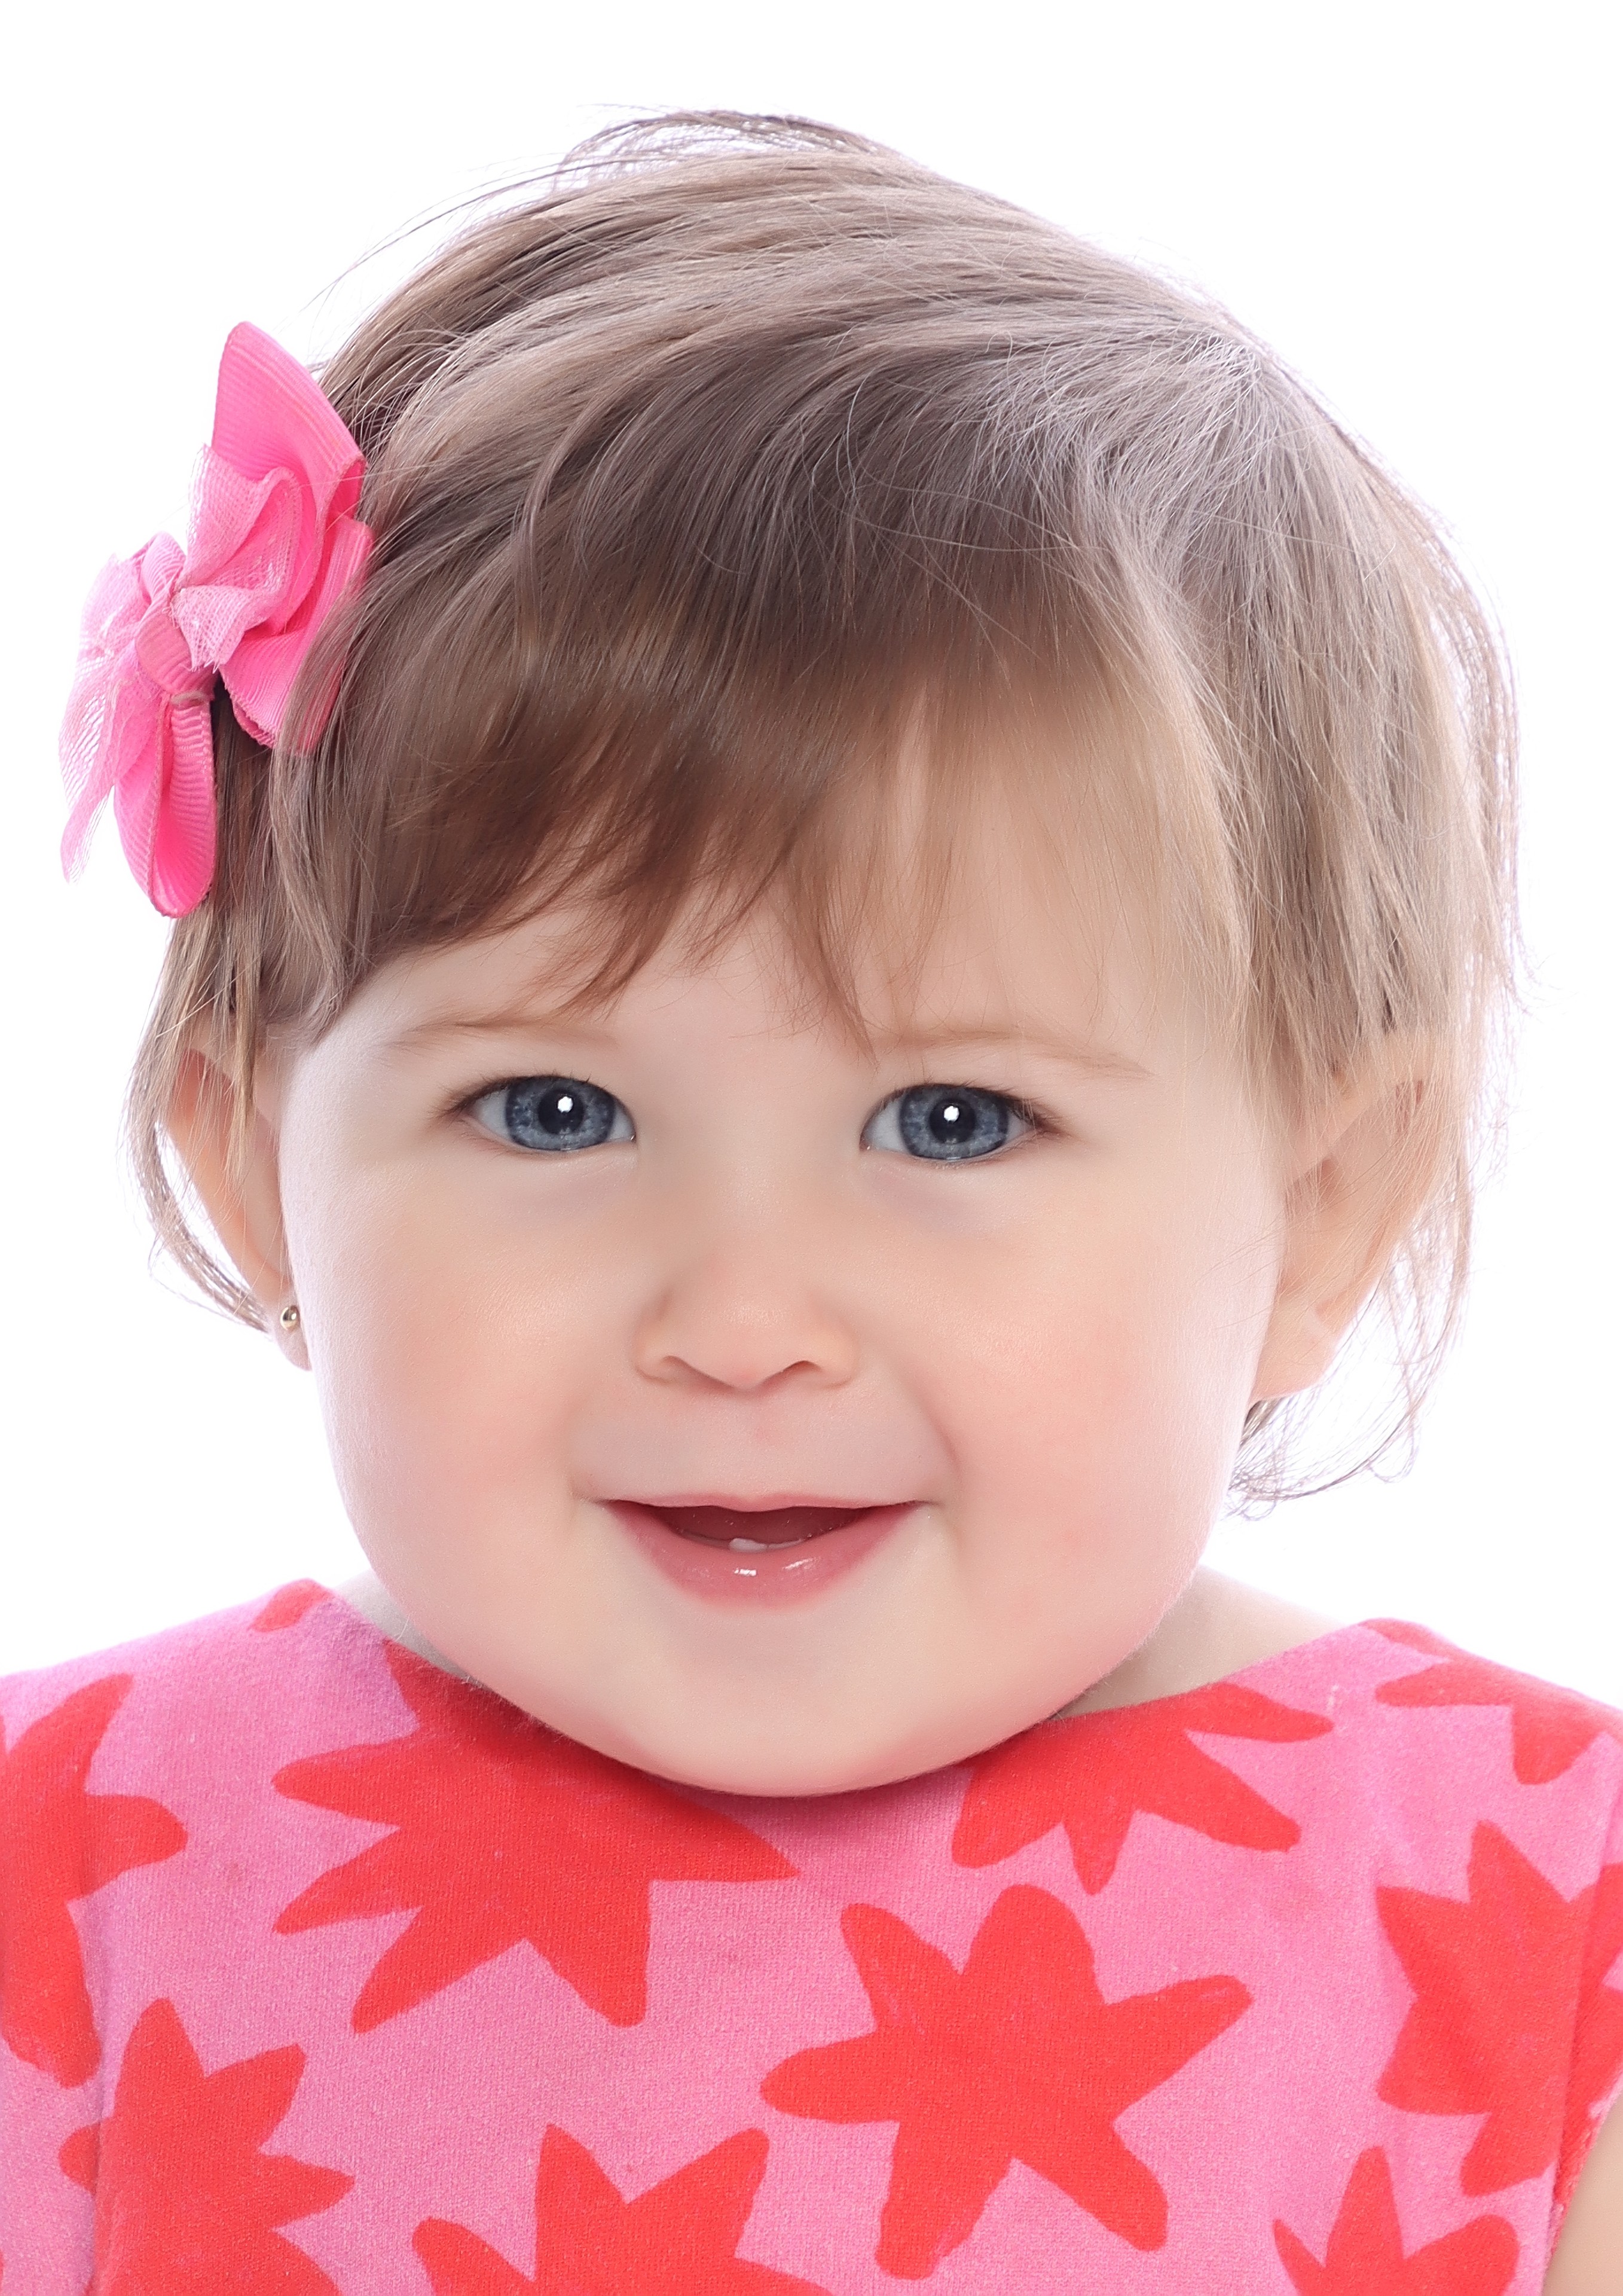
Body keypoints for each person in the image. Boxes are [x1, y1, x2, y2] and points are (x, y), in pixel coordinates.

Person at [4, 114, 1616, 2292]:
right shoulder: (68, 1867)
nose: (745, 1321)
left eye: (950, 1122)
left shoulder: (1544, 1928)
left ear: (1322, 1208)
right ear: (252, 1167)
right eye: (552, 1111)